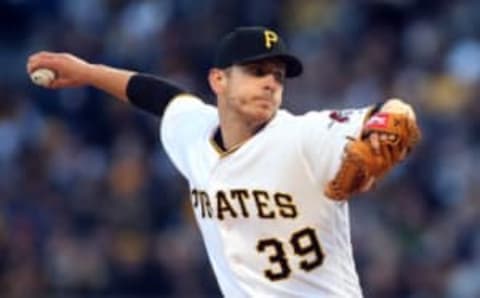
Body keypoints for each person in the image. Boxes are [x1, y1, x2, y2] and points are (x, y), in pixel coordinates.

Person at [27, 26, 419, 297]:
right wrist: (87, 72)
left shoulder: (303, 137)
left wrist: (386, 128)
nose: (271, 83)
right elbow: (161, 98)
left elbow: (395, 113)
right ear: (218, 81)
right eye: (257, 71)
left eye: (279, 77)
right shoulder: (195, 135)